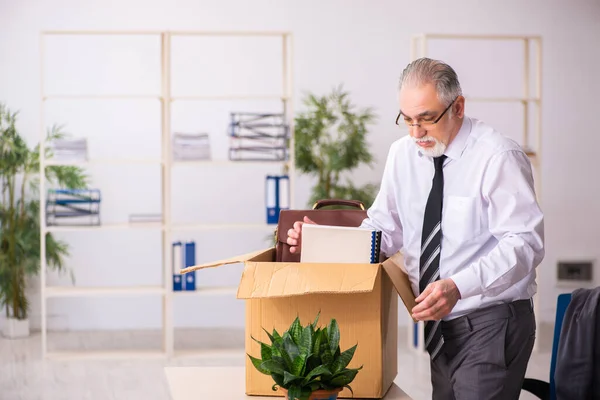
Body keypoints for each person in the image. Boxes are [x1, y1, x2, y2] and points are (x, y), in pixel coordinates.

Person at [286, 57, 545, 400]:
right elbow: (384, 228)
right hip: (439, 329)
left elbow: (524, 244)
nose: (415, 133)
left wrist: (458, 286)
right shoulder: (402, 154)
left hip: (491, 322)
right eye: (406, 119)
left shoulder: (497, 156)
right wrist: (322, 243)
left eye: (426, 118)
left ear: (458, 107)